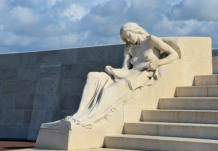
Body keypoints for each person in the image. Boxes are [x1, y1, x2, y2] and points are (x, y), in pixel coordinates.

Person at [41, 22, 179, 129]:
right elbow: (125, 69)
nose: (127, 41)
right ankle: (79, 114)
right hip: (129, 74)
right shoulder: (129, 48)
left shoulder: (151, 40)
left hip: (141, 76)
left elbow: (174, 55)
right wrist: (113, 71)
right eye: (125, 39)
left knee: (110, 90)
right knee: (94, 76)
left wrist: (158, 63)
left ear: (135, 31)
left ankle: (89, 118)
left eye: (128, 36)